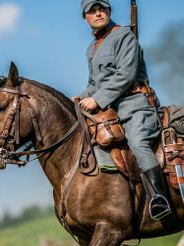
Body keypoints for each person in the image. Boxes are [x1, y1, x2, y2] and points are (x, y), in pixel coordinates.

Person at [72, 0, 171, 220]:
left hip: (135, 104)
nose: (98, 13)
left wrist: (96, 100)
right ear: (85, 18)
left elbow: (125, 75)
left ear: (108, 11)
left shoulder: (124, 36)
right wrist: (81, 97)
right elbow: (93, 83)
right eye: (92, 11)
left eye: (102, 9)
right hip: (110, 111)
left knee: (138, 142)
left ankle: (160, 198)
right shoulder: (92, 49)